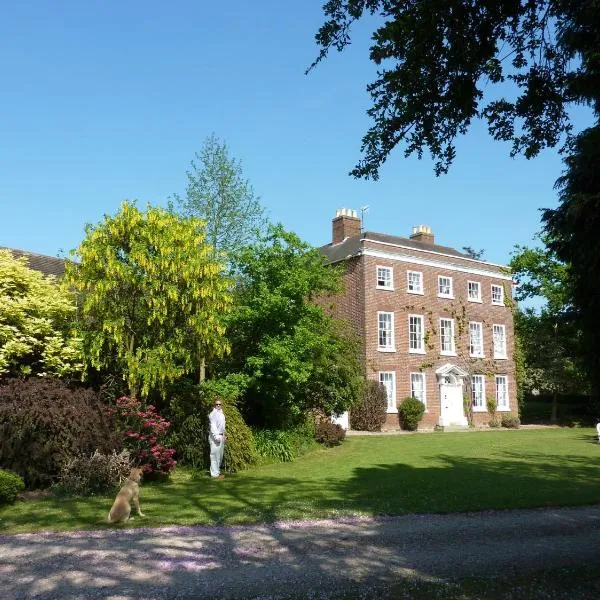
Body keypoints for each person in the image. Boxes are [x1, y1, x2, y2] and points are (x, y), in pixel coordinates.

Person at [208, 400, 226, 479]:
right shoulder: (213, 414)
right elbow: (213, 427)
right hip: (216, 437)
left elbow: (222, 426)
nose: (218, 405)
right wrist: (216, 437)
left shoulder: (221, 413)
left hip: (221, 436)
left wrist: (224, 435)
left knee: (220, 456)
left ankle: (217, 472)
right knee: (214, 456)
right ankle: (214, 474)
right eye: (217, 404)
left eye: (220, 404)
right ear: (214, 405)